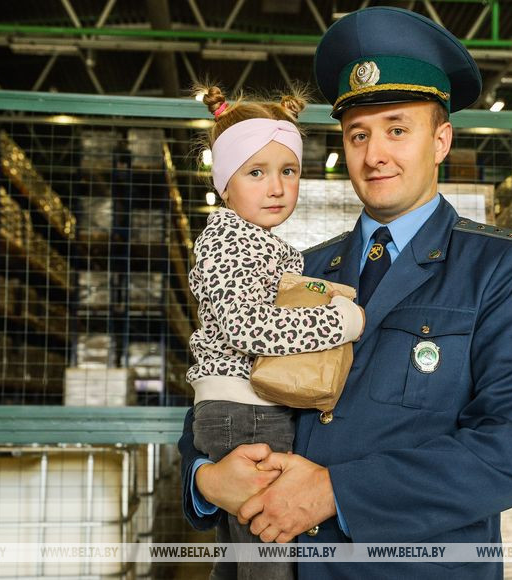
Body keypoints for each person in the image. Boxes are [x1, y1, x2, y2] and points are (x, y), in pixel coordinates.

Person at [178, 7, 512, 579]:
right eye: (359, 134)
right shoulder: (301, 270)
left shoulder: (500, 266)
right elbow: (221, 389)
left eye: (398, 130)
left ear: (441, 140)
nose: (374, 154)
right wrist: (206, 480)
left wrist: (336, 492)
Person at [185, 85, 365, 580]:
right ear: (224, 182)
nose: (276, 187)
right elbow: (247, 326)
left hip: (246, 409)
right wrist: (337, 322)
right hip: (247, 412)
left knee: (248, 554)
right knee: (269, 553)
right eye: (256, 172)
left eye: (288, 171)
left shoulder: (260, 242)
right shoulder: (229, 238)